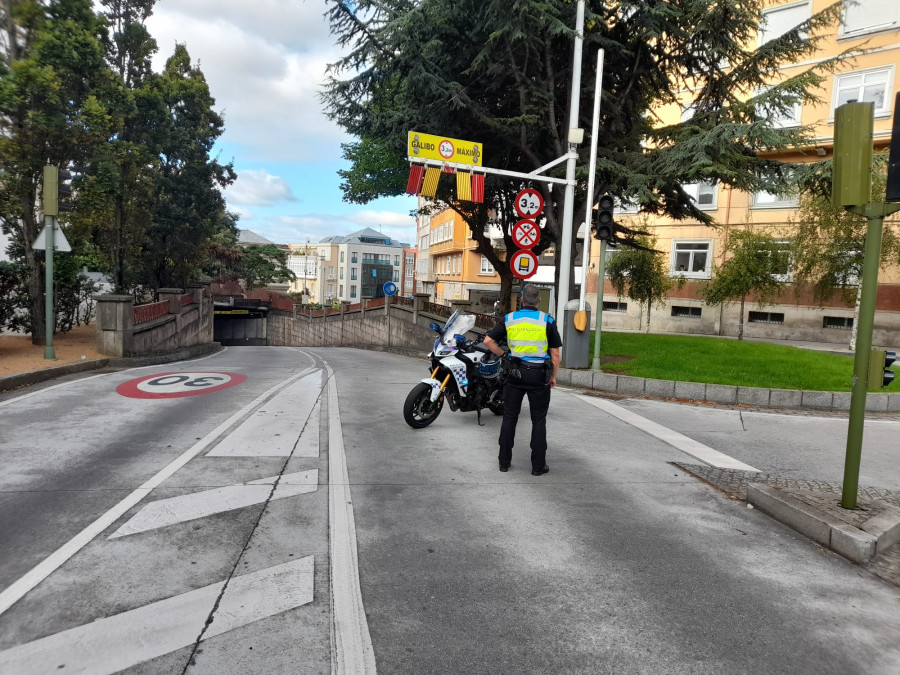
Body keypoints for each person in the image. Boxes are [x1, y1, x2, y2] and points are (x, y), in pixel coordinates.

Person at [483, 284, 562, 475]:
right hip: (539, 375)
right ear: (539, 300)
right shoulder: (547, 320)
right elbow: (555, 354)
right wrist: (553, 377)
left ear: (521, 300)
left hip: (514, 373)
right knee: (538, 420)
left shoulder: (509, 319)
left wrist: (504, 355)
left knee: (510, 416)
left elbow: (488, 341)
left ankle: (504, 462)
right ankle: (538, 466)